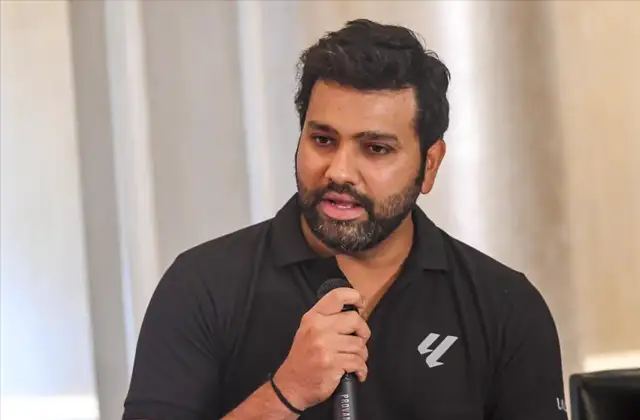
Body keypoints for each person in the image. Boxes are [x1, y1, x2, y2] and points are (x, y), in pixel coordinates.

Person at [122, 19, 568, 420]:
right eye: (323, 140)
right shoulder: (203, 285)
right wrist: (286, 393)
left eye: (375, 149)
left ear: (430, 164)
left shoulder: (504, 306)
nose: (339, 172)